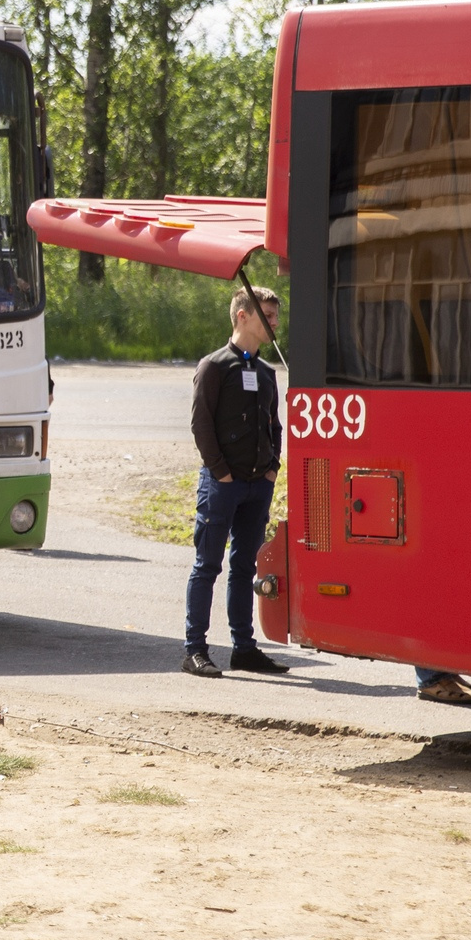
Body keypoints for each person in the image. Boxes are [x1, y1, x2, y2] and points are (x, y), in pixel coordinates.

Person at [182, 284, 292, 679]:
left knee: (245, 565)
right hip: (222, 484)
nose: (276, 322)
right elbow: (200, 424)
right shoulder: (214, 366)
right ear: (243, 316)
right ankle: (195, 650)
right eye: (269, 315)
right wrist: (221, 472)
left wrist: (271, 470)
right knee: (206, 565)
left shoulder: (264, 372)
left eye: (277, 315)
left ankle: (244, 648)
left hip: (256, 485)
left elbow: (275, 426)